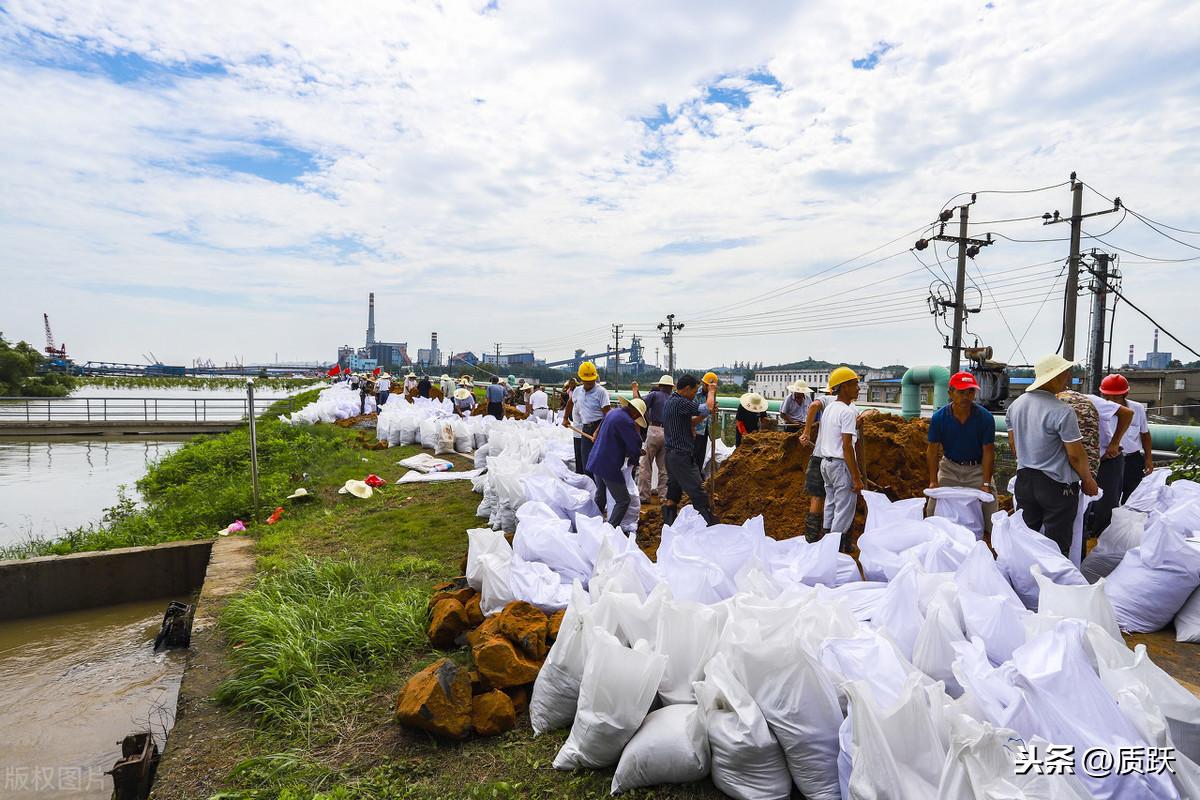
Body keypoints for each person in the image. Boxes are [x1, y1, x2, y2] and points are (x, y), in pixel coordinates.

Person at [1007, 355, 1099, 556]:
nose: (1067, 379)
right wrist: (1088, 479)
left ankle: (1023, 583)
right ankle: (1053, 585)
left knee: (1026, 539)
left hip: (1024, 480)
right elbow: (1075, 455)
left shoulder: (1016, 405)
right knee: (1057, 545)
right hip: (1056, 484)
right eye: (1066, 374)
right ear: (1055, 377)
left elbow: (1013, 445)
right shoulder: (1062, 411)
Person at [925, 371, 998, 533]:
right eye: (961, 392)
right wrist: (933, 481)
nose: (966, 396)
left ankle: (993, 549)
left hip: (977, 470)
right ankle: (931, 543)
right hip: (949, 468)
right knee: (932, 509)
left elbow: (988, 451)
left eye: (971, 391)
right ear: (950, 392)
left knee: (991, 510)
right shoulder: (939, 418)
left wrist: (986, 483)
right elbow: (932, 451)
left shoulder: (985, 418)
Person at [1057, 386, 1133, 536]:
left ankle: (1102, 547)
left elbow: (1127, 413)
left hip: (1107, 460)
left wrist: (1114, 443)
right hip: (1080, 464)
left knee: (1106, 508)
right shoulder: (1052, 405)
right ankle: (1083, 549)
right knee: (1080, 510)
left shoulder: (1089, 401)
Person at [814, 367, 865, 551]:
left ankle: (826, 540)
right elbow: (847, 446)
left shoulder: (830, 409)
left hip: (826, 464)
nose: (858, 388)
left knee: (831, 503)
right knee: (843, 510)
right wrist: (857, 478)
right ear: (844, 387)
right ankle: (833, 549)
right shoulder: (847, 412)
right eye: (855, 384)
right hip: (841, 465)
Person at [662, 373, 718, 526]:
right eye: (694, 392)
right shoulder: (681, 402)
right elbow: (706, 408)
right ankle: (710, 524)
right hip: (681, 456)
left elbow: (691, 422)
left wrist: (703, 416)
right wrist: (711, 392)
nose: (694, 395)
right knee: (697, 490)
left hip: (671, 455)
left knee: (673, 492)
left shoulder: (671, 402)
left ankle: (669, 526)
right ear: (686, 389)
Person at [587, 398, 647, 527]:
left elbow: (610, 437)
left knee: (600, 495)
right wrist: (635, 456)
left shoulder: (612, 413)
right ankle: (610, 529)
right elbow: (633, 444)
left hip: (596, 460)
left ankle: (591, 524)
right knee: (623, 500)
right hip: (608, 465)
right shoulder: (627, 421)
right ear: (636, 413)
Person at [1100, 373, 1154, 502]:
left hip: (1132, 459)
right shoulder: (1098, 409)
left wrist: (1148, 459)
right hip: (1108, 461)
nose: (1111, 400)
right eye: (1108, 396)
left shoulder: (1138, 408)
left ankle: (1127, 521)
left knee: (1132, 497)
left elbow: (1145, 434)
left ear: (1125, 394)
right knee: (1108, 499)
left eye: (1116, 396)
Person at [562, 362, 611, 475]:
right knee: (586, 464)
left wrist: (598, 431)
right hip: (586, 429)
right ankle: (590, 489)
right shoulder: (578, 391)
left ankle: (599, 489)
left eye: (591, 380)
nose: (589, 382)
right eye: (586, 380)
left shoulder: (601, 392)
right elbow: (570, 403)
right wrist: (565, 418)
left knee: (599, 462)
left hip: (600, 427)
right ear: (581, 379)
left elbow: (607, 414)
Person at [631, 374, 673, 503]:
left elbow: (638, 404)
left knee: (645, 464)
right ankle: (664, 496)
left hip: (654, 430)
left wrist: (634, 389)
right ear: (671, 388)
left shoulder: (654, 395)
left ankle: (644, 496)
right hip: (667, 432)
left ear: (660, 386)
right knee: (664, 467)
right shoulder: (673, 399)